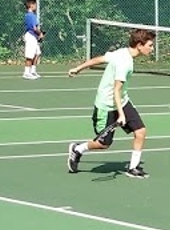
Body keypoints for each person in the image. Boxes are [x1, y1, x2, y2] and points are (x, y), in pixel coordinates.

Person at [65, 27, 156, 178]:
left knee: (140, 132)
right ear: (139, 45)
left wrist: (78, 68)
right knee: (104, 143)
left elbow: (100, 59)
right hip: (106, 105)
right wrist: (121, 114)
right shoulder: (125, 63)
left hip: (122, 101)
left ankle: (133, 168)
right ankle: (78, 149)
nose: (152, 49)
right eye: (150, 45)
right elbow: (116, 90)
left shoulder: (121, 52)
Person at [22, 0, 42, 79]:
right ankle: (26, 73)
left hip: (33, 36)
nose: (36, 6)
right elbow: (34, 28)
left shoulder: (30, 15)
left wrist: (38, 35)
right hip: (31, 36)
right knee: (30, 55)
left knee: (37, 53)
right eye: (35, 4)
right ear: (31, 5)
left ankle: (32, 71)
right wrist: (40, 34)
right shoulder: (31, 15)